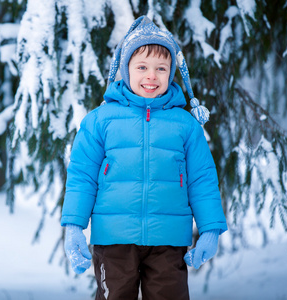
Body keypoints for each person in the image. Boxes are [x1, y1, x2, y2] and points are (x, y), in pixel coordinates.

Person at [61, 15, 227, 300]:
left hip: (168, 240)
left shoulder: (185, 124)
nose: (152, 76)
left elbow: (202, 179)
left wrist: (211, 229)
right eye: (142, 67)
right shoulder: (100, 121)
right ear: (125, 70)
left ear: (171, 72)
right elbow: (82, 177)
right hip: (114, 239)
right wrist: (74, 226)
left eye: (161, 68)